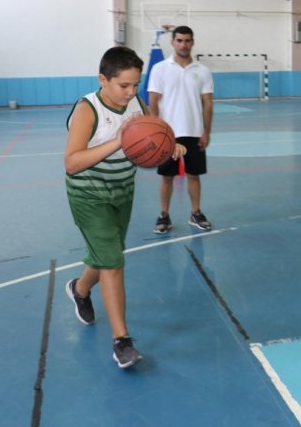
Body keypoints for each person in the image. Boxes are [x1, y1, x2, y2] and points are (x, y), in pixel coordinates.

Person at [64, 46, 186, 368]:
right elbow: (72, 162)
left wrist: (168, 144)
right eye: (124, 86)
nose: (132, 92)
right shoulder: (87, 110)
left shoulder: (135, 102)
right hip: (89, 194)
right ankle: (122, 341)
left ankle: (79, 288)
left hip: (123, 190)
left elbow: (149, 134)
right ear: (103, 79)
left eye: (136, 85)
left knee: (107, 255)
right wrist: (118, 141)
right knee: (114, 263)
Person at [147, 25, 214, 233]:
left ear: (192, 42)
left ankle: (196, 213)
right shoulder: (160, 69)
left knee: (194, 175)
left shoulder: (202, 71)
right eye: (180, 40)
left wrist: (206, 132)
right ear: (173, 42)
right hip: (168, 135)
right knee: (166, 176)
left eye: (187, 41)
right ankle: (164, 215)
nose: (184, 44)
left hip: (194, 132)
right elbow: (153, 102)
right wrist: (156, 132)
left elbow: (208, 104)